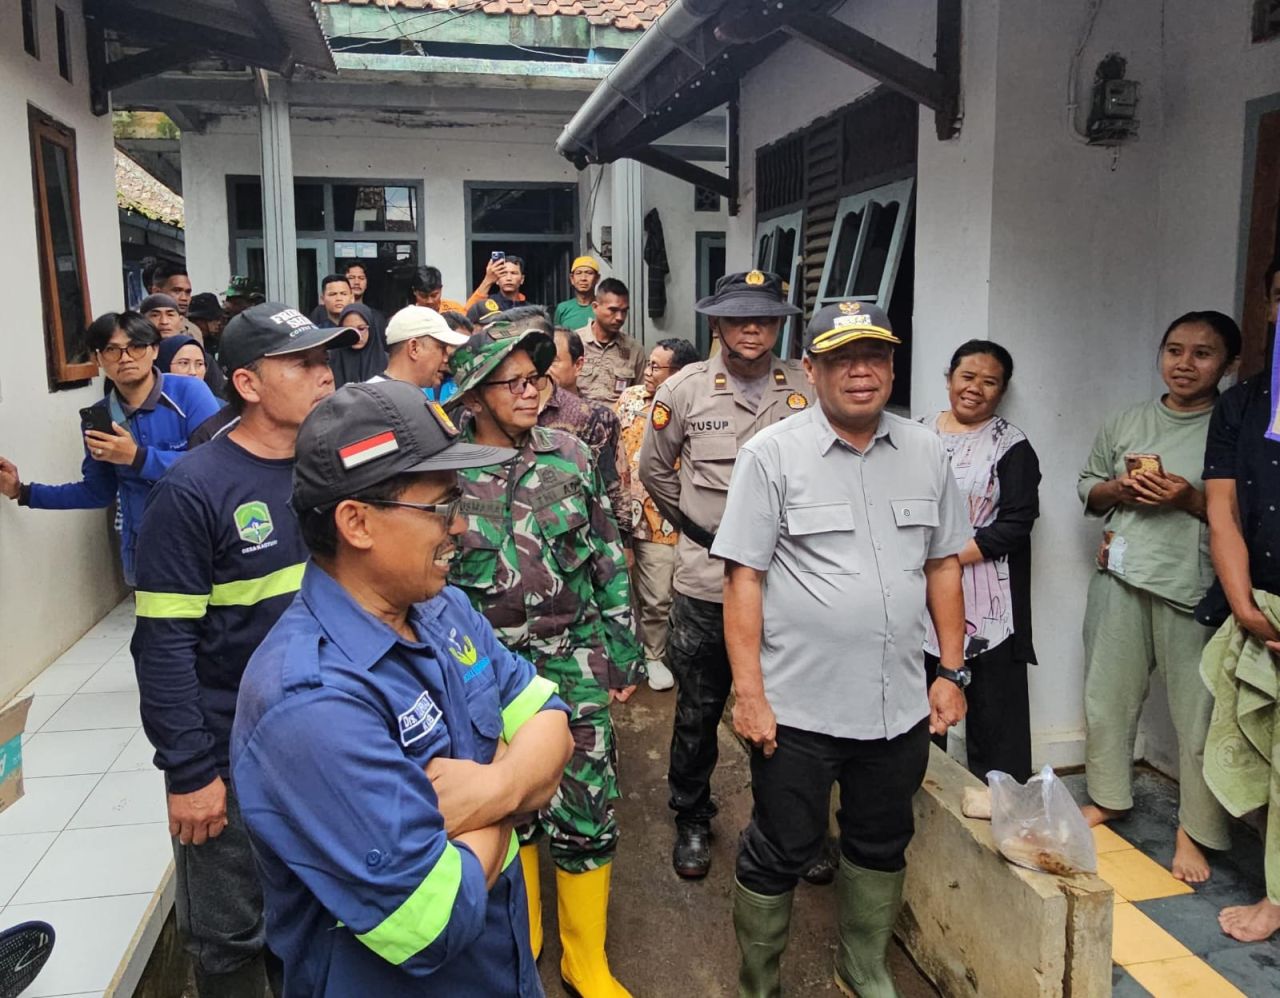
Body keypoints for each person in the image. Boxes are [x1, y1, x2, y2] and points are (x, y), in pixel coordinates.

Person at [231, 379, 574, 996]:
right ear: (356, 522)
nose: (464, 526)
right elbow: (436, 920)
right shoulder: (309, 702)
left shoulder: (442, 610)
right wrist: (520, 788)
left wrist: (495, 785)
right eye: (441, 507)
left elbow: (551, 719)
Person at [713, 300, 970, 998]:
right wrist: (751, 695)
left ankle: (862, 967)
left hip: (898, 706)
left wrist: (950, 669)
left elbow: (944, 564)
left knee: (881, 842)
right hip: (798, 709)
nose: (862, 372)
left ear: (892, 365)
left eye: (876, 356)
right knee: (782, 848)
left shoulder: (926, 451)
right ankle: (758, 982)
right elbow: (745, 578)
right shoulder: (772, 455)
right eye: (843, 358)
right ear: (813, 369)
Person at [130, 303, 356, 996]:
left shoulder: (334, 471)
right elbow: (162, 647)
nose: (325, 377)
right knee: (231, 941)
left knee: (316, 920)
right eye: (304, 364)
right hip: (231, 756)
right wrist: (191, 772)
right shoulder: (194, 490)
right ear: (250, 385)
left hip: (321, 747)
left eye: (327, 361)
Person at [447, 321, 643, 997]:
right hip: (485, 675)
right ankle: (522, 943)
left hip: (574, 660)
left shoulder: (569, 454)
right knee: (505, 807)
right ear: (474, 395)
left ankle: (585, 960)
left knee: (589, 802)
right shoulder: (443, 472)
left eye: (538, 376)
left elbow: (607, 556)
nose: (534, 391)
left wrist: (623, 653)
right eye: (516, 382)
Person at [637, 270, 814, 879]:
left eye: (764, 319)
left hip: (788, 584)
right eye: (739, 318)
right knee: (699, 709)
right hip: (708, 582)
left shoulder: (805, 387)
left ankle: (792, 823)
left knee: (792, 710)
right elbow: (656, 474)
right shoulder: (684, 390)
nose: (752, 329)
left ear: (779, 325)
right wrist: (703, 531)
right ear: (717, 323)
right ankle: (691, 814)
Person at [1077, 311, 1242, 884]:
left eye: (1202, 353)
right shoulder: (1128, 419)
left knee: (1198, 718)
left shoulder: (1234, 423)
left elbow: (1246, 513)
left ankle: (1194, 830)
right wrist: (1117, 489)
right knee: (1107, 700)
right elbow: (1088, 486)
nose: (1184, 363)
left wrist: (1191, 500)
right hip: (1120, 578)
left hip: (1195, 589)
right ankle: (1108, 797)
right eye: (1174, 350)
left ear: (1228, 364)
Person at [0, 312, 220, 586]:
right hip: (146, 550)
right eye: (111, 350)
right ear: (98, 359)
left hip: (205, 540)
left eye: (136, 347)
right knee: (158, 627)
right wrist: (22, 491)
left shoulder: (189, 393)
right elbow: (98, 491)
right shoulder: (100, 417)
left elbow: (217, 468)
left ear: (154, 351)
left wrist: (137, 457)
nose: (125, 357)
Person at [1198, 268, 1280, 942]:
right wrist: (1245, 605)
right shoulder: (1243, 403)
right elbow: (1222, 511)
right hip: (1259, 604)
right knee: (1260, 753)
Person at [918, 340, 1041, 781]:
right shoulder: (918, 434)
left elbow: (1015, 525)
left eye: (990, 382)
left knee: (995, 718)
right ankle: (915, 794)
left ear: (1002, 391)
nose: (975, 389)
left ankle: (1003, 806)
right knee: (918, 707)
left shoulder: (1011, 445)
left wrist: (944, 556)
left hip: (988, 602)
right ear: (949, 378)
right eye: (967, 377)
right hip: (918, 593)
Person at [614, 339, 700, 693]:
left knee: (658, 595)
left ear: (678, 373)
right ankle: (626, 654)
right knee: (621, 590)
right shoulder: (629, 398)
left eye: (655, 367)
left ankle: (653, 654)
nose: (647, 372)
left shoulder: (693, 403)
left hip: (662, 518)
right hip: (621, 512)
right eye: (647, 365)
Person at [576, 278, 645, 404]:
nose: (620, 318)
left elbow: (641, 395)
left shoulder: (634, 349)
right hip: (579, 417)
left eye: (624, 311)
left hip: (618, 419)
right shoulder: (575, 342)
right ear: (595, 307)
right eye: (613, 310)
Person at [369, 305, 470, 390]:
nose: (445, 358)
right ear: (414, 348)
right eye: (441, 348)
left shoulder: (416, 396)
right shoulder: (370, 401)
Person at [329, 302, 389, 388]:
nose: (357, 334)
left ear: (371, 329)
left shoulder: (388, 362)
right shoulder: (330, 361)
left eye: (361, 328)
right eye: (350, 330)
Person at [145, 258, 204, 342]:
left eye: (188, 292)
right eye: (176, 291)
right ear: (156, 291)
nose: (184, 298)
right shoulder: (135, 329)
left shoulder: (194, 331)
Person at [157, 333, 228, 398]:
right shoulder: (151, 406)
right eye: (184, 363)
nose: (193, 372)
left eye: (199, 364)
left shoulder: (217, 408)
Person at [465, 255, 529, 323]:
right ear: (496, 279)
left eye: (513, 273)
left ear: (522, 279)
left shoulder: (530, 309)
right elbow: (466, 319)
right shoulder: (486, 305)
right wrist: (488, 280)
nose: (509, 278)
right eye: (503, 273)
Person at [555, 256, 600, 331]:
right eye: (578, 273)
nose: (583, 278)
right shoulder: (562, 308)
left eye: (589, 273)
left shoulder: (603, 307)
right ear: (572, 279)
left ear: (597, 278)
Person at [550, 327, 586, 394]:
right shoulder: (530, 403)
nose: (545, 369)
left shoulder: (586, 404)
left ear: (578, 365)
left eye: (553, 361)